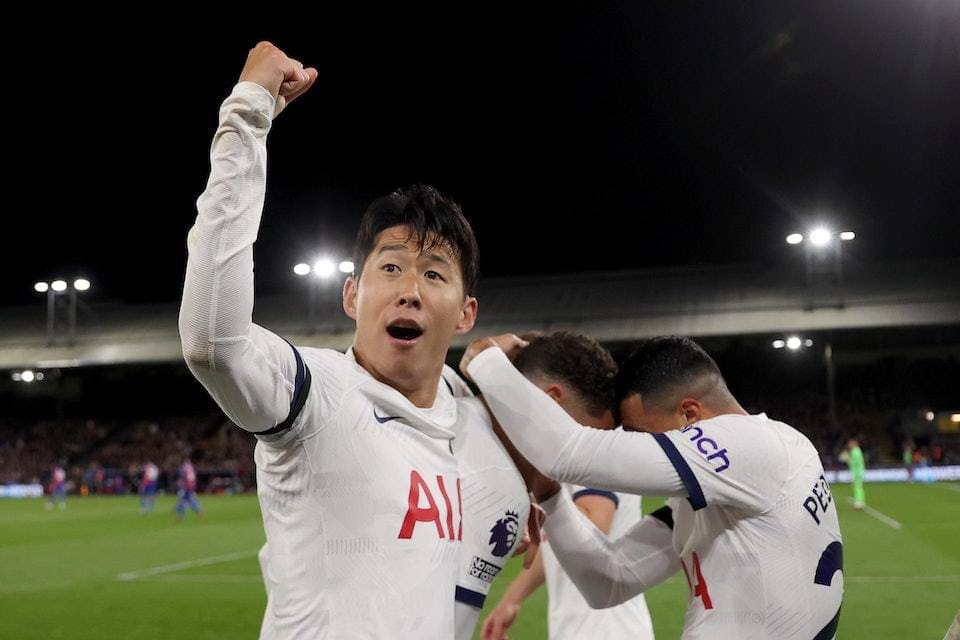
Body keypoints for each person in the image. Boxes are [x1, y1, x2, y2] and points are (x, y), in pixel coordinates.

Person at [180, 41, 503, 638]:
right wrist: (247, 114)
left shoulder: (463, 414)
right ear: (352, 295)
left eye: (434, 274)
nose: (410, 290)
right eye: (391, 267)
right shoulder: (315, 396)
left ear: (465, 313)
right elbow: (214, 345)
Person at [462, 334, 844, 639]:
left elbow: (567, 452)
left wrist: (484, 357)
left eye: (641, 435)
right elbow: (610, 581)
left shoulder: (749, 443)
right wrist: (550, 495)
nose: (639, 448)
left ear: (689, 414)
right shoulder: (735, 485)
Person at [482, 331, 655, 640]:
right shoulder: (573, 442)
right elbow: (563, 538)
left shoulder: (597, 444)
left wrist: (538, 500)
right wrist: (512, 599)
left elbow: (593, 522)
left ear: (552, 397)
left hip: (607, 631)